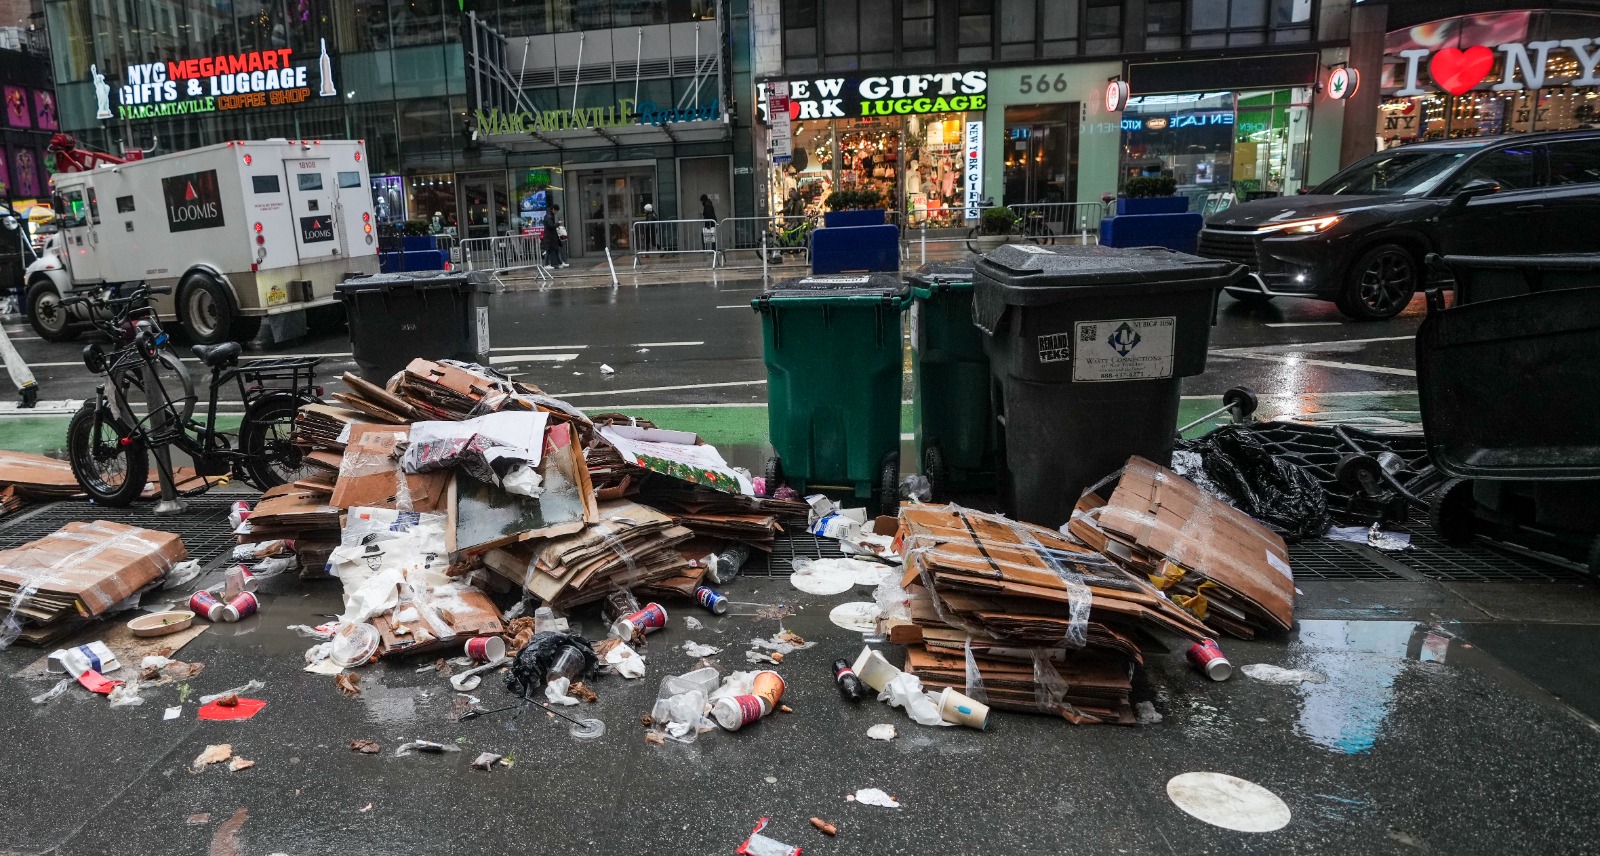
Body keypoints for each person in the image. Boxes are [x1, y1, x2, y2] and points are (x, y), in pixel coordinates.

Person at [543, 201, 569, 268]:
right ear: (553, 209)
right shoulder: (549, 216)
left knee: (556, 249)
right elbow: (551, 226)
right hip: (550, 236)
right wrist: (558, 223)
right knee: (549, 250)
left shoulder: (549, 215)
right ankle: (546, 264)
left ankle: (560, 263)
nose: (556, 212)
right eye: (556, 211)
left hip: (551, 236)